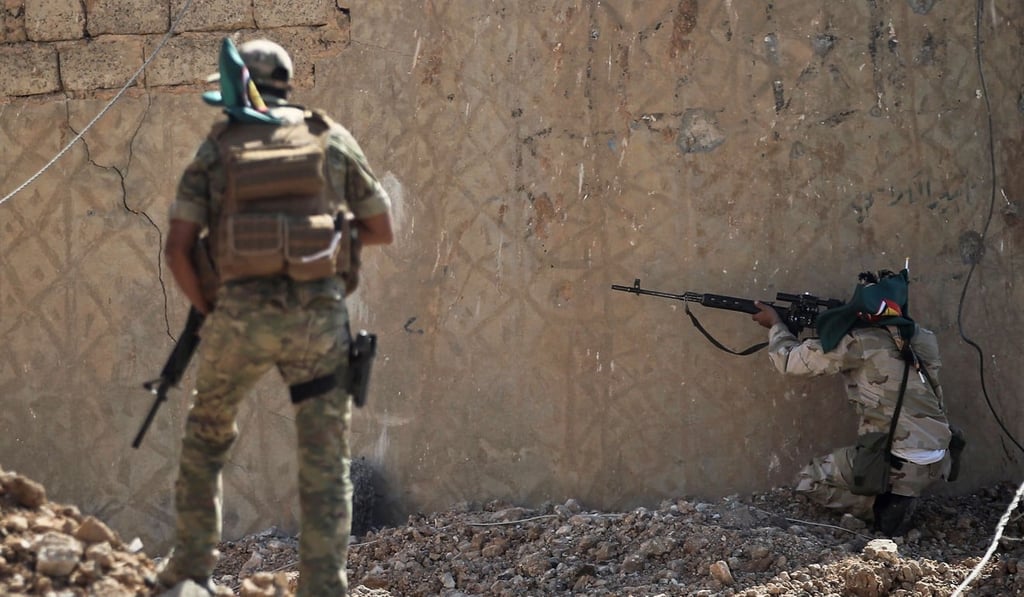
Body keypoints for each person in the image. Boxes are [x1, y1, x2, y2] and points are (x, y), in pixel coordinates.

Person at [158, 37, 393, 596]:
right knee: (325, 460)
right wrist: (328, 243)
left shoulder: (219, 145)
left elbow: (177, 248)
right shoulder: (329, 137)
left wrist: (212, 307)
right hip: (316, 320)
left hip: (237, 318)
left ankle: (190, 571)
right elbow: (381, 228)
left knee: (207, 437)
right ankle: (323, 586)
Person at [751, 268, 962, 536]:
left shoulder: (858, 343)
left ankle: (880, 508)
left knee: (809, 480)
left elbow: (789, 360)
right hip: (939, 457)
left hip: (897, 459)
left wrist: (777, 325)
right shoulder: (922, 337)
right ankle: (902, 494)